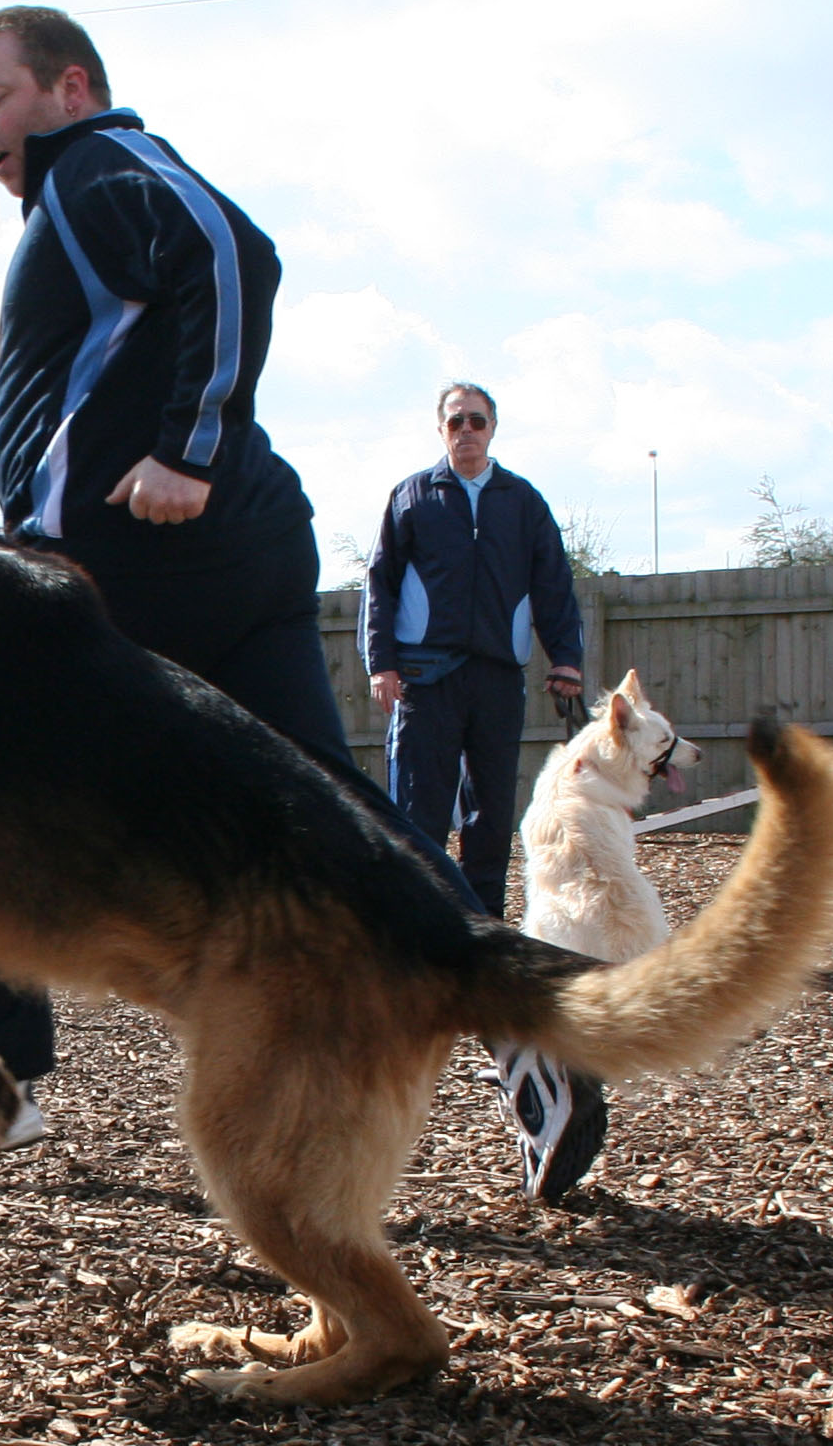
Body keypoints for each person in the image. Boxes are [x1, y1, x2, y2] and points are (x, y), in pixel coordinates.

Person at [0, 6, 489, 1149]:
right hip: (227, 558)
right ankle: (518, 1017)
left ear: (71, 88)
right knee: (334, 802)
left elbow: (234, 250)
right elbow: (39, 407)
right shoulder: (71, 217)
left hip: (135, 570)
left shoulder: (97, 163)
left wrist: (185, 448)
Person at [359, 382, 607, 1202]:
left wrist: (564, 657)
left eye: (478, 421)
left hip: (497, 680)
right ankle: (414, 937)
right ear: (440, 430)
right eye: (455, 422)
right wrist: (382, 660)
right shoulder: (412, 496)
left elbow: (553, 581)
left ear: (494, 429)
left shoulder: (520, 501)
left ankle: (481, 940)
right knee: (416, 814)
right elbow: (382, 580)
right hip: (426, 678)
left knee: (491, 815)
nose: (467, 432)